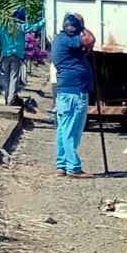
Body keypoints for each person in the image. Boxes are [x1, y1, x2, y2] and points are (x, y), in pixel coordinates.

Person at [49, 13, 95, 177]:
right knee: (71, 131)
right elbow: (90, 39)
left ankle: (62, 164)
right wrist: (83, 27)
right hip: (73, 93)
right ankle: (73, 167)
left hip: (67, 92)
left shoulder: (61, 39)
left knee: (63, 129)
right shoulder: (67, 39)